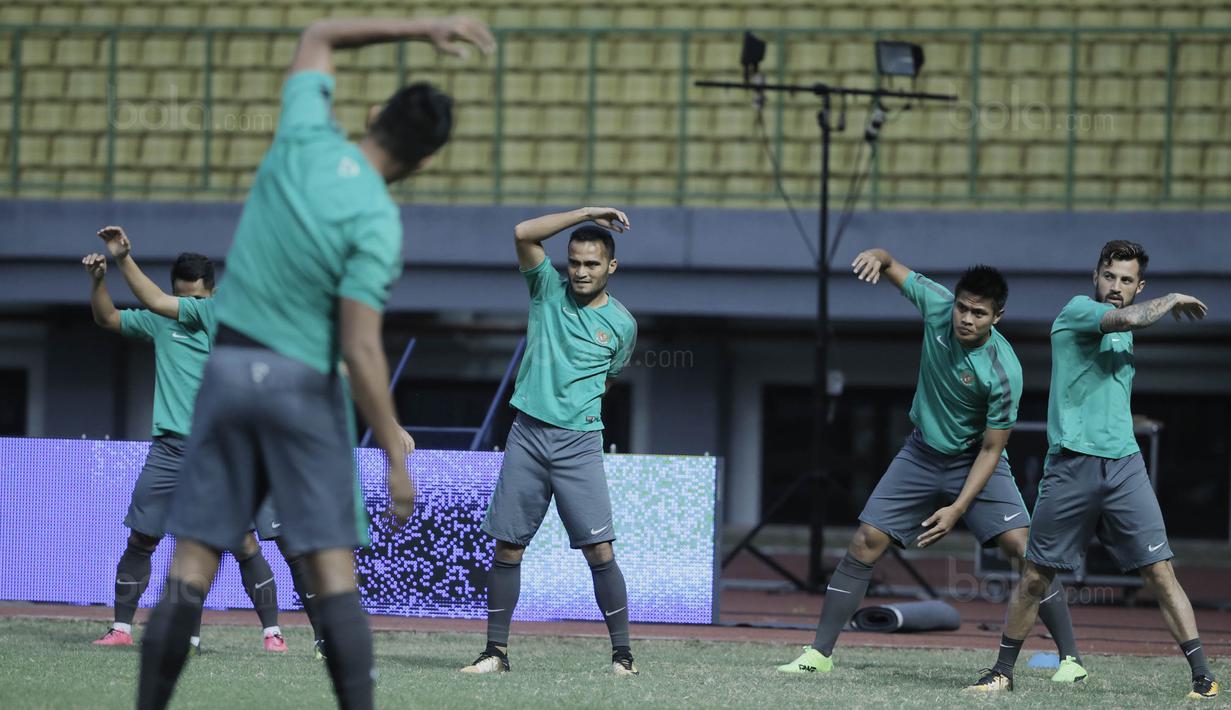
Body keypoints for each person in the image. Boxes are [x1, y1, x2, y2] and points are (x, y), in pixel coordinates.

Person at [136, 15, 494, 710]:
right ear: (423, 163)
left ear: (374, 115)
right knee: (332, 574)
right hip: (303, 386)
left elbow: (320, 33)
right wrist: (392, 448)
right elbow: (360, 347)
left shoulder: (301, 138)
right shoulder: (379, 221)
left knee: (190, 564)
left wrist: (425, 27)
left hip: (230, 369)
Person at [777, 248, 1085, 684]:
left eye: (979, 313)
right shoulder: (938, 304)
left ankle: (1071, 659)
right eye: (963, 307)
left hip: (976, 459)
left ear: (997, 317)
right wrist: (875, 256)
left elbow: (992, 450)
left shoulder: (1003, 372)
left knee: (1025, 549)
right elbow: (890, 264)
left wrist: (958, 508)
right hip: (921, 452)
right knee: (866, 539)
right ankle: (818, 653)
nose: (966, 318)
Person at [967, 241, 1218, 700]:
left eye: (1126, 281)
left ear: (1138, 285)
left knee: (1161, 572)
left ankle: (1204, 676)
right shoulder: (1079, 310)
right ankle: (1002, 670)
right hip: (1070, 467)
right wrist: (1172, 299)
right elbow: (1128, 318)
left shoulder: (1125, 331)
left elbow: (1103, 385)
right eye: (1110, 276)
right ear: (1095, 276)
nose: (1116, 287)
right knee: (1036, 574)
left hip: (1124, 467)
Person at [83, 236, 289, 654]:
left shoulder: (218, 315)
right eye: (180, 295)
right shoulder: (163, 318)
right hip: (170, 451)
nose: (185, 303)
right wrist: (99, 281)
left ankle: (273, 634)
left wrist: (124, 259)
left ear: (210, 293)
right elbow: (108, 319)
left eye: (192, 296)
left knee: (243, 542)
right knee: (142, 538)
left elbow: (156, 298)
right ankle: (121, 627)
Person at [459, 207, 639, 677]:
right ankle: (495, 654)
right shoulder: (544, 290)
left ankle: (624, 658)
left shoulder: (623, 325)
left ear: (610, 268)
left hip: (579, 445)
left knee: (601, 552)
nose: (580, 271)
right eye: (574, 262)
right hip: (527, 438)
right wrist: (589, 212)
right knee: (507, 549)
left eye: (592, 264)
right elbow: (522, 232)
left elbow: (609, 377)